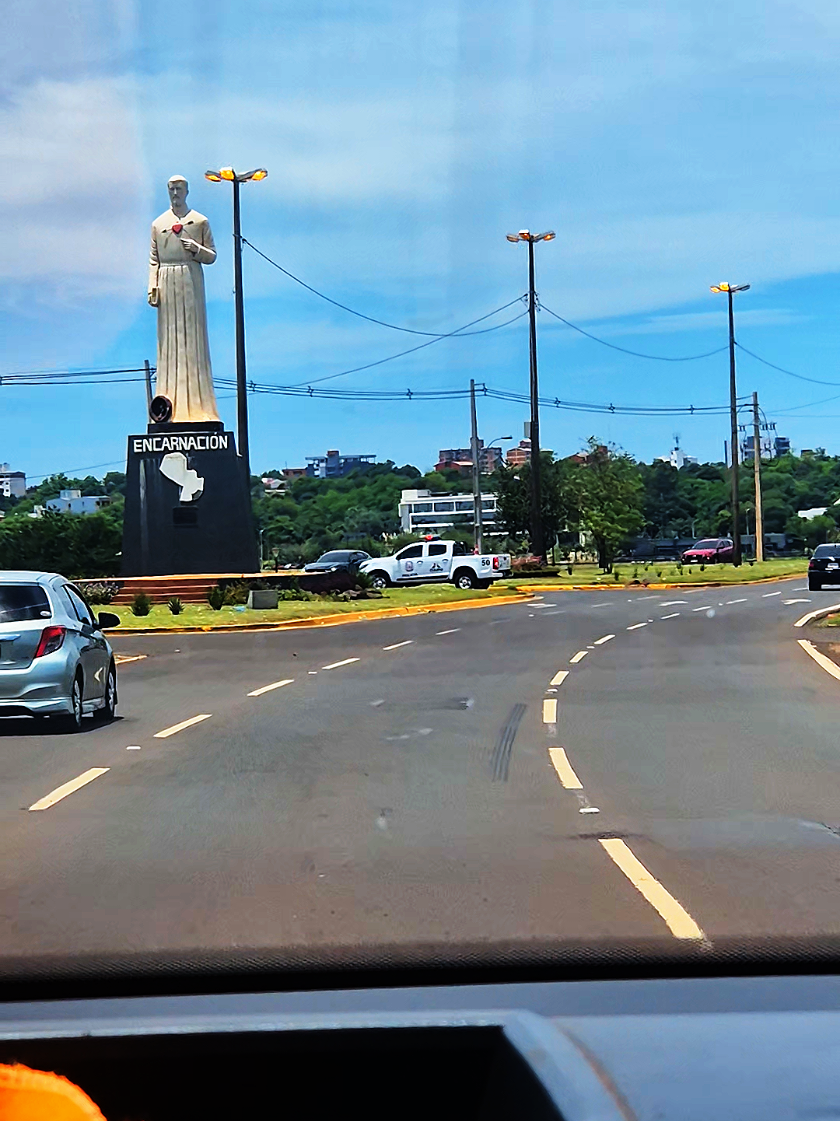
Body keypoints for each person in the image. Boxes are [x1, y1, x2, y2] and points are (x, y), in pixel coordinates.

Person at [148, 175, 221, 423]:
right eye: (171, 189)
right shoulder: (158, 224)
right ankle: (168, 403)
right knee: (168, 339)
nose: (175, 193)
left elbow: (212, 256)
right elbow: (153, 259)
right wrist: (152, 285)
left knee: (193, 336)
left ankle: (198, 405)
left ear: (187, 191)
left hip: (190, 279)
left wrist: (196, 250)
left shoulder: (199, 221)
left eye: (179, 189)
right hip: (167, 280)